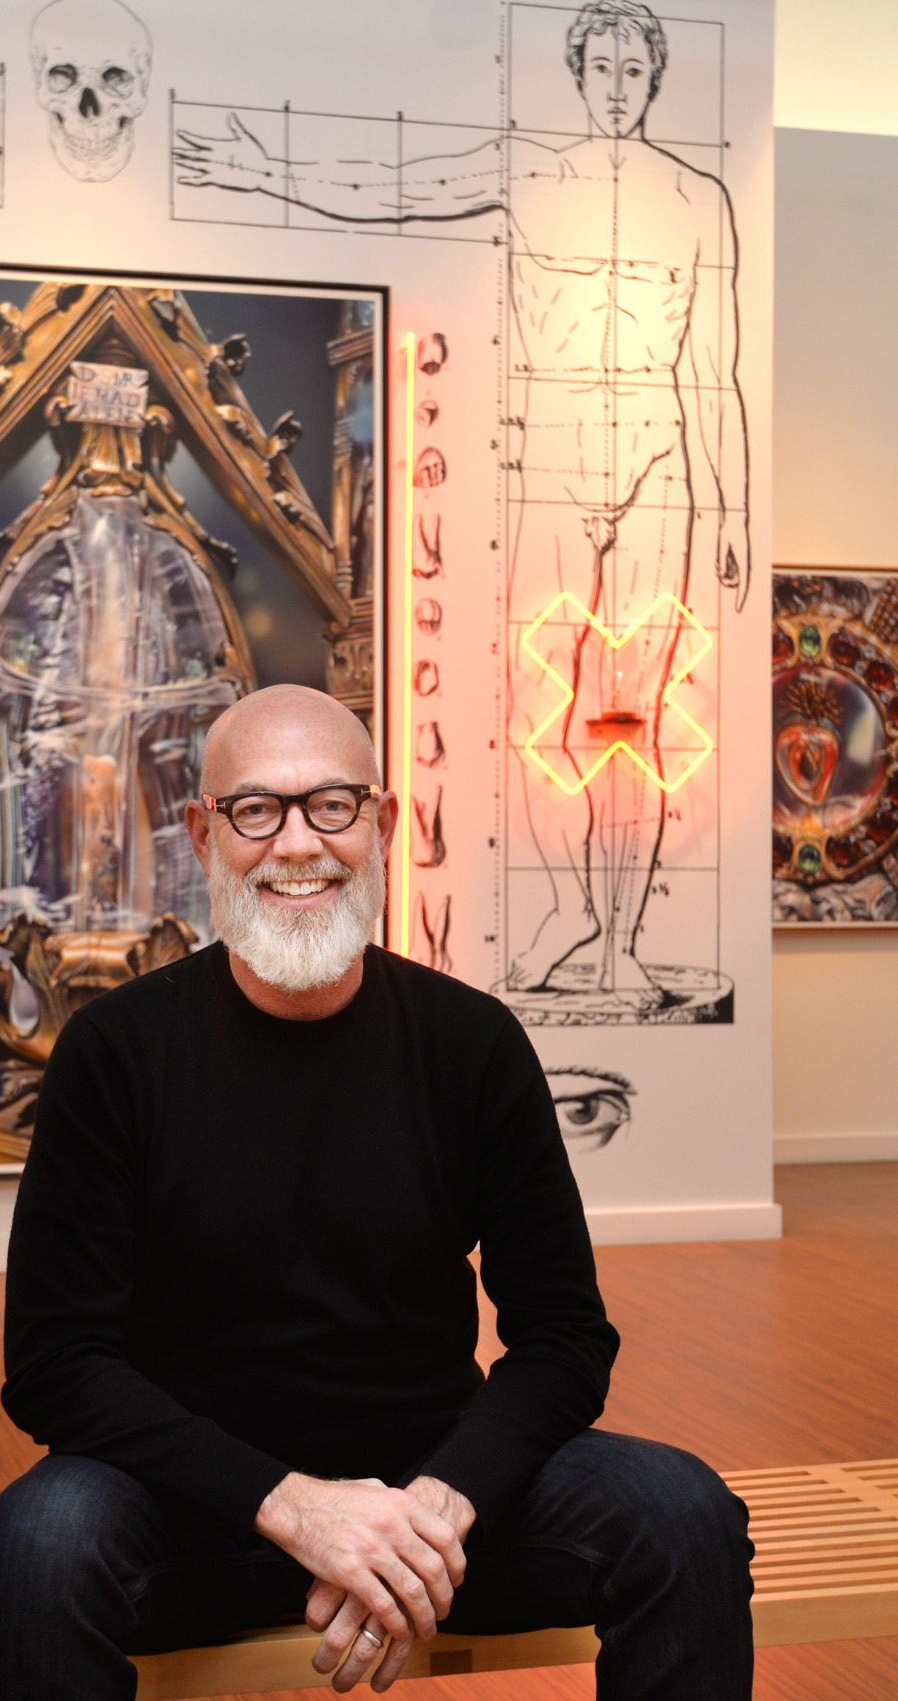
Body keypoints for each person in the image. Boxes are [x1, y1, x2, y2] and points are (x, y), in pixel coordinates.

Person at [0, 684, 752, 1701]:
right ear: (202, 835)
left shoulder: (470, 1044)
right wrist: (291, 1508)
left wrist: (433, 1506)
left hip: (424, 1501)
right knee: (36, 1550)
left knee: (681, 1512)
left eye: (330, 805)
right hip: (187, 1508)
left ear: (380, 825)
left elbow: (562, 1338)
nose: (297, 844)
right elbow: (54, 1366)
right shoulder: (115, 1054)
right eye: (256, 810)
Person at [174, 0, 749, 1010]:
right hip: (555, 461)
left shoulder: (700, 197)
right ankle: (571, 911)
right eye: (600, 61)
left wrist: (734, 512)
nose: (616, 80)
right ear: (578, 71)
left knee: (639, 730)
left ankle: (619, 943)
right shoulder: (529, 169)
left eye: (633, 64)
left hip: (660, 465)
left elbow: (715, 373)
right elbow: (395, 187)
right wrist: (261, 173)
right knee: (546, 725)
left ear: (653, 77)